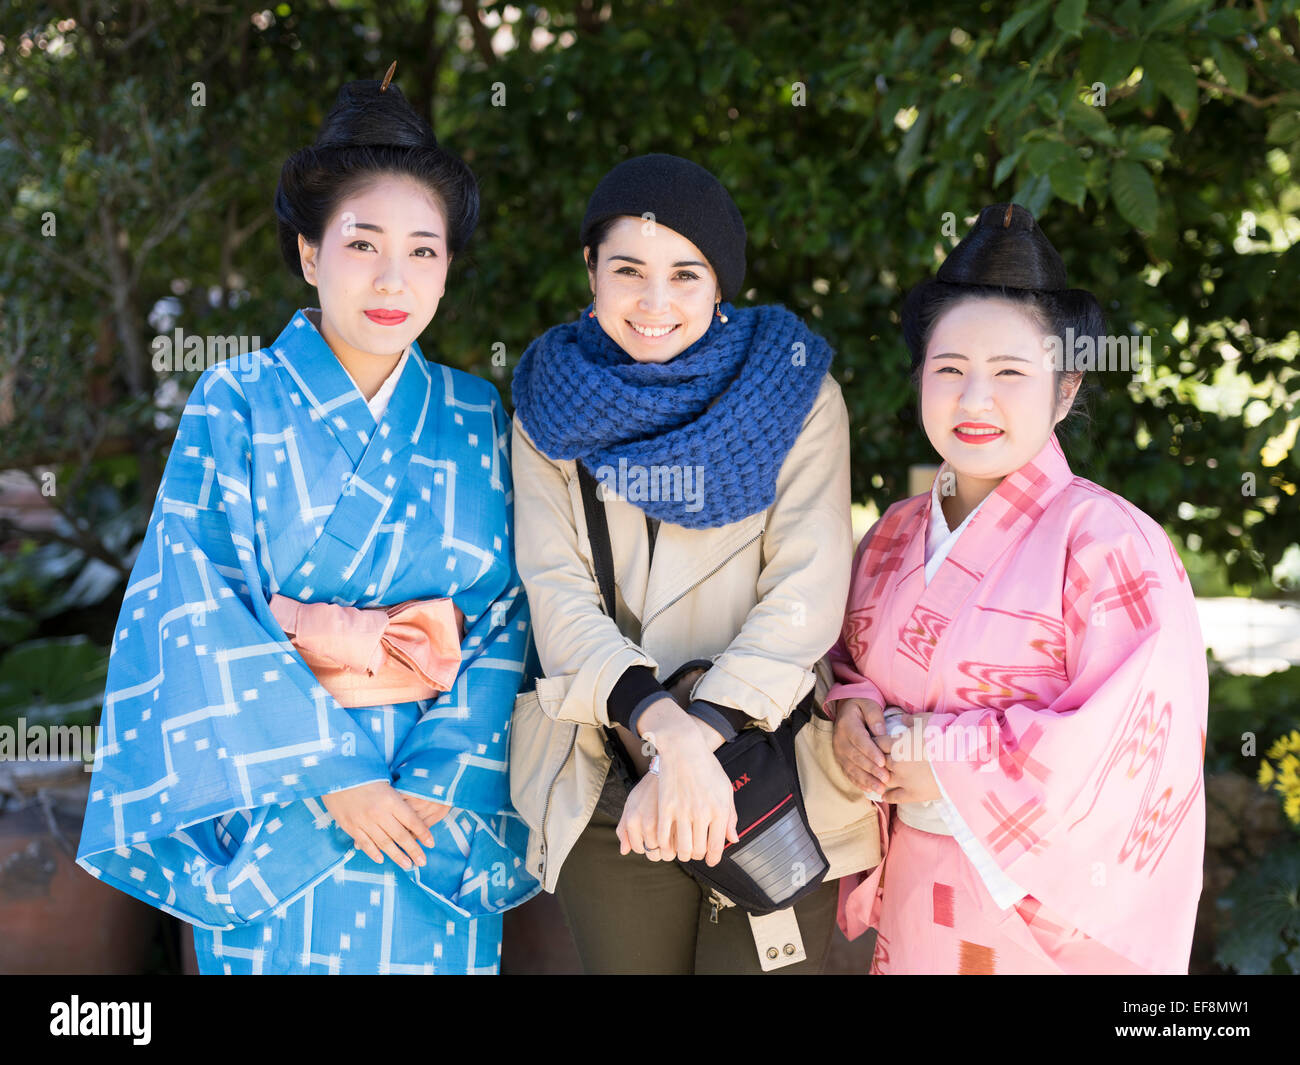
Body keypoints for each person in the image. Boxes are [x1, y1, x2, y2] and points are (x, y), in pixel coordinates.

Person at [76, 68, 537, 974]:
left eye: (425, 251)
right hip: (277, 792)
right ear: (308, 255)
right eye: (363, 245)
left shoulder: (477, 412)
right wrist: (336, 776)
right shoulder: (236, 398)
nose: (394, 279)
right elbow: (195, 602)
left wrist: (441, 778)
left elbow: (506, 614)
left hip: (430, 812)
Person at [508, 153, 877, 974]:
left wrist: (699, 735)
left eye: (686, 273)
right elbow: (557, 590)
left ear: (720, 286)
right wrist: (659, 724)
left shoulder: (795, 392)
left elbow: (807, 595)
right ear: (590, 271)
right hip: (606, 758)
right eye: (629, 270)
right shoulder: (546, 402)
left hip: (766, 755)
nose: (654, 302)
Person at [826, 203, 1207, 974]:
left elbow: (1123, 746)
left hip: (1038, 919)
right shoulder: (891, 536)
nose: (974, 401)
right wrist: (851, 709)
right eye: (950, 370)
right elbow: (844, 666)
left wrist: (924, 751)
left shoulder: (1109, 542)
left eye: (1009, 373)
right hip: (913, 896)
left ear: (1065, 390)